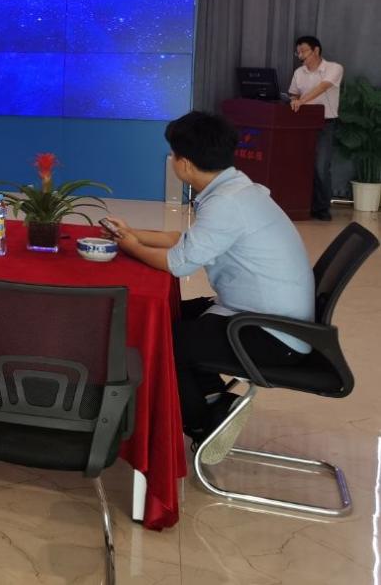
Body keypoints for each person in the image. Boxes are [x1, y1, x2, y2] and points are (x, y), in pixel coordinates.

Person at [104, 111, 314, 459]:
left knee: (162, 341)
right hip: (263, 315)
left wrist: (129, 246)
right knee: (168, 315)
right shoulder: (236, 189)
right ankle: (217, 402)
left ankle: (204, 427)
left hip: (272, 333)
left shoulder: (226, 204)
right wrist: (135, 234)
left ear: (184, 164)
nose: (172, 160)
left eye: (173, 155)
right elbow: (190, 241)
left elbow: (178, 263)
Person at [288, 35, 344, 221]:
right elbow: (293, 94)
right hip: (302, 124)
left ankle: (321, 208)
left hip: (325, 123)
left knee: (321, 167)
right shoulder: (299, 72)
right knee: (301, 165)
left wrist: (302, 101)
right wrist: (293, 100)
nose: (300, 56)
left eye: (303, 51)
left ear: (316, 50)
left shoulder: (334, 68)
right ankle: (301, 205)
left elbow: (323, 87)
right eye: (298, 53)